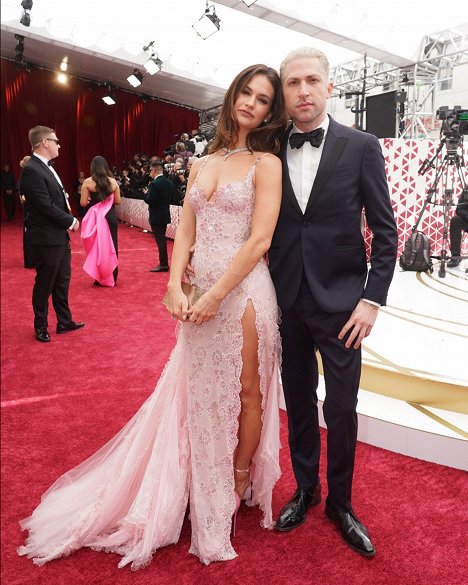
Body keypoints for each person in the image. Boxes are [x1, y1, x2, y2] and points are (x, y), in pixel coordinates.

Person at [17, 63, 287, 568]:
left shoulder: (266, 163)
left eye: (264, 99)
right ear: (232, 96)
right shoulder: (205, 162)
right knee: (201, 388)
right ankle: (201, 476)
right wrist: (173, 284)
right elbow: (184, 229)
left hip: (246, 293)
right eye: (246, 92)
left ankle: (236, 480)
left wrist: (215, 295)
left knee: (248, 390)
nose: (252, 103)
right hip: (198, 289)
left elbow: (260, 240)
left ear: (271, 111)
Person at [270, 48, 398, 557]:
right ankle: (306, 488)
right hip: (286, 299)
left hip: (344, 306)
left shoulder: (362, 146)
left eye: (312, 81)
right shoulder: (268, 147)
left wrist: (372, 301)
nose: (303, 90)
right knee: (297, 400)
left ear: (329, 88)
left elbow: (386, 233)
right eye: (293, 82)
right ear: (283, 91)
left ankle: (340, 503)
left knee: (341, 408)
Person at [19, 126, 85, 342]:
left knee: (62, 281)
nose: (59, 144)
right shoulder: (32, 169)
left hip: (58, 236)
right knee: (45, 282)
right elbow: (44, 205)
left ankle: (64, 321)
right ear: (44, 142)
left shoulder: (45, 168)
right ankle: (41, 325)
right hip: (46, 238)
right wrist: (71, 220)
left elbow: (57, 199)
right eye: (56, 140)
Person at [80, 156, 121, 286]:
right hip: (110, 217)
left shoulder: (87, 182)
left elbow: (83, 203)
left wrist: (90, 201)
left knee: (98, 247)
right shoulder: (113, 182)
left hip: (96, 219)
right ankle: (113, 277)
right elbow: (118, 202)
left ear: (93, 167)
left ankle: (100, 277)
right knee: (112, 247)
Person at [144, 160, 174, 272]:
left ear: (154, 170)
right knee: (162, 239)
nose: (150, 173)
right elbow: (172, 198)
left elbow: (149, 200)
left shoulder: (154, 184)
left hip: (156, 216)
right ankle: (164, 263)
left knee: (160, 240)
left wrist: (145, 194)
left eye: (150, 170)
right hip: (165, 214)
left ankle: (164, 264)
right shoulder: (169, 183)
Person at [18, 155, 35, 268]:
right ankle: (31, 261)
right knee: (30, 235)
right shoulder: (26, 176)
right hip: (30, 211)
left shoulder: (25, 176)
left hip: (28, 211)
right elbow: (22, 196)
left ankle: (30, 261)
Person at [447, 190, 468, 267]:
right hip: (466, 219)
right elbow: (459, 209)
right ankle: (455, 257)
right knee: (455, 220)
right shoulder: (466, 190)